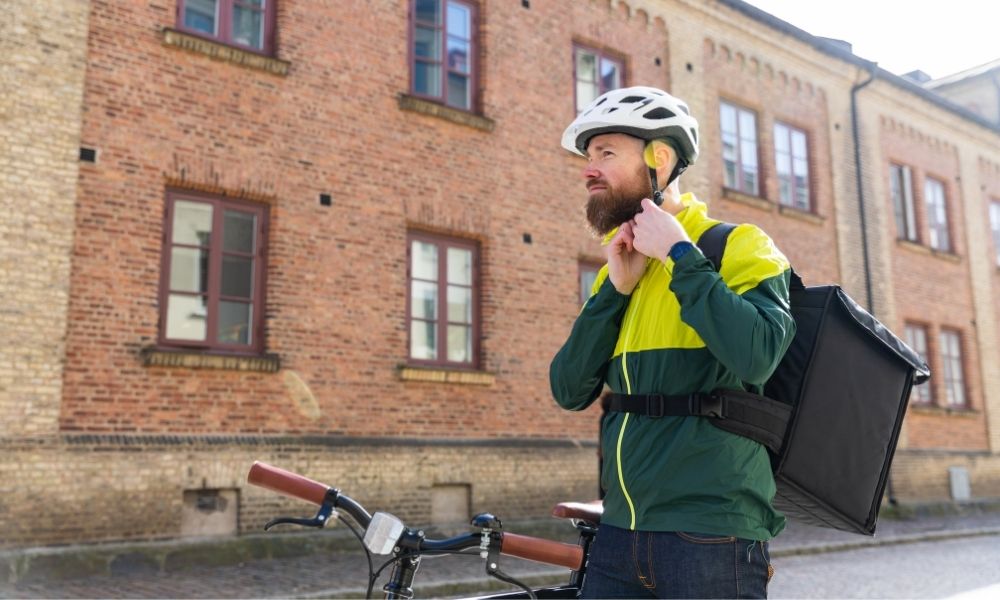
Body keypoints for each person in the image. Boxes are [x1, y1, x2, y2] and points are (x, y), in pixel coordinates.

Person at [550, 86, 796, 599]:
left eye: (606, 153)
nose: (588, 169)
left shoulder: (738, 246)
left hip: (712, 534)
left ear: (659, 160)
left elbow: (759, 354)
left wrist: (681, 255)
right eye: (588, 157)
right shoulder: (618, 270)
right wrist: (614, 290)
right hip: (619, 534)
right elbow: (569, 388)